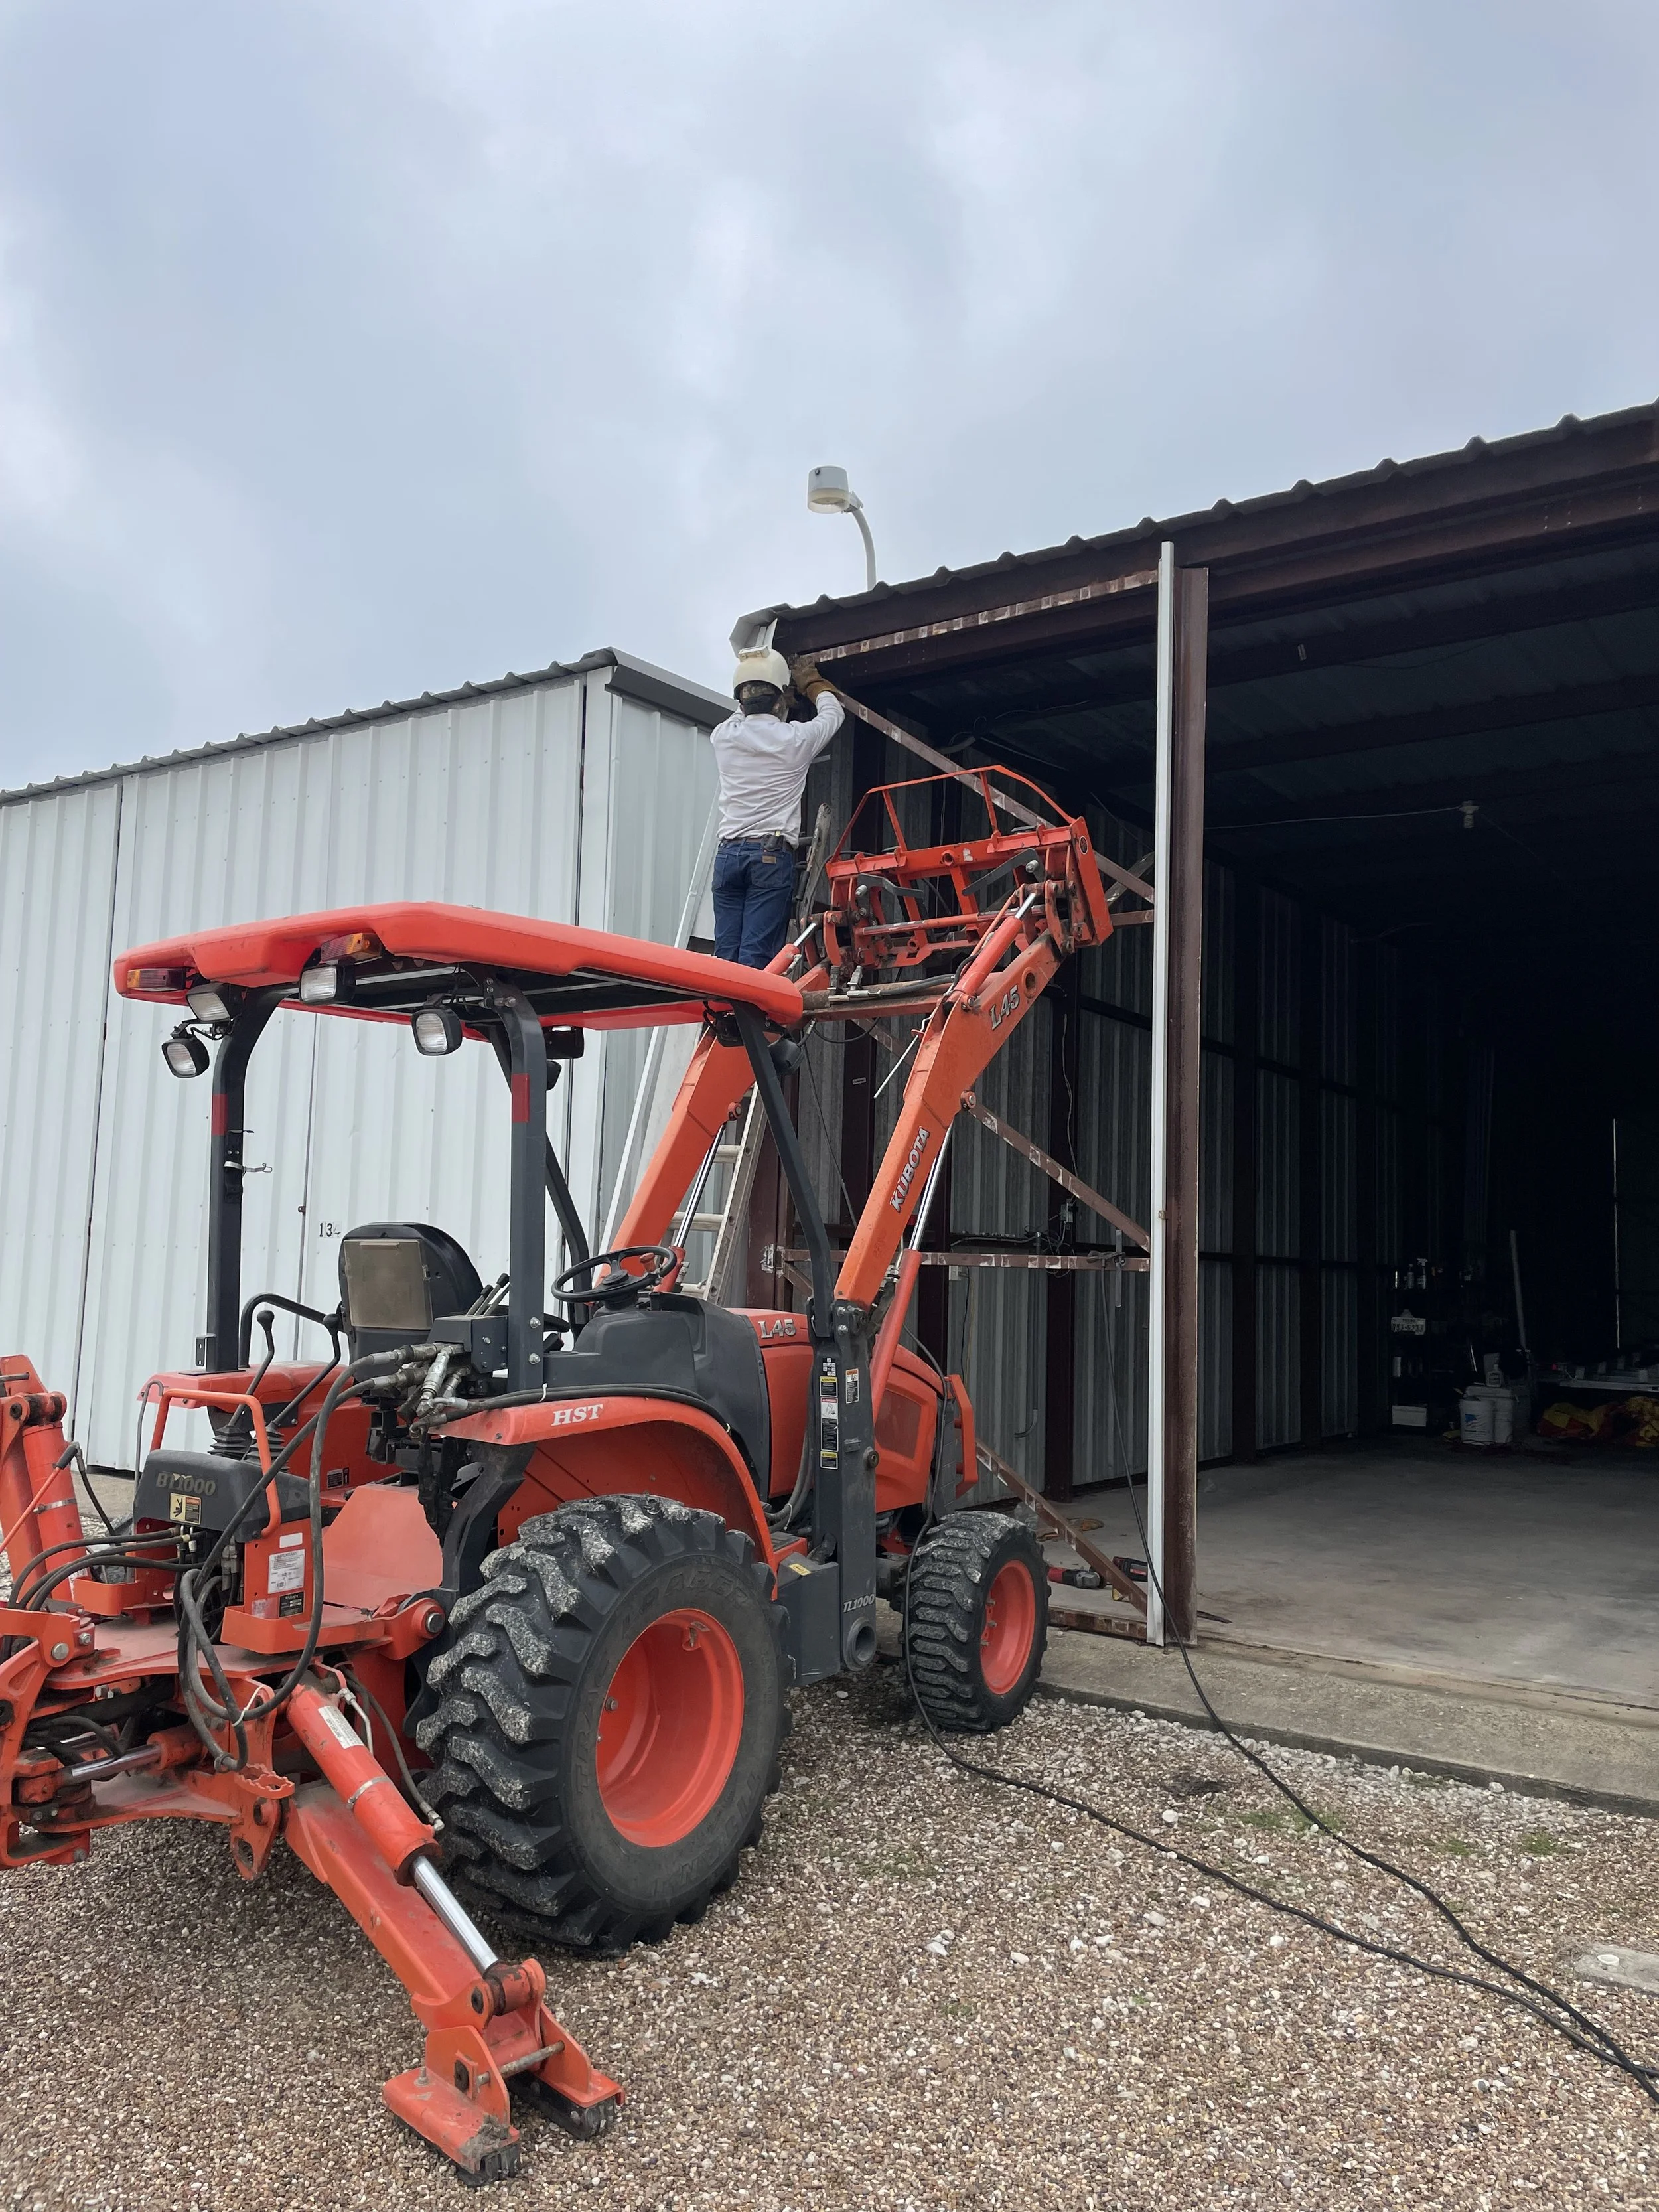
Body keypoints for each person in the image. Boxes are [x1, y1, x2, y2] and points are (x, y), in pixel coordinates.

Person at [709, 646, 844, 967]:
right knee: (756, 958)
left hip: (727, 857)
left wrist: (769, 688)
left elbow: (743, 709)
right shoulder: (795, 739)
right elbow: (833, 714)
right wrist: (811, 682)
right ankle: (748, 1004)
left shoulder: (724, 736)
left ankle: (723, 1002)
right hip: (768, 857)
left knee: (725, 957)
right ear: (779, 701)